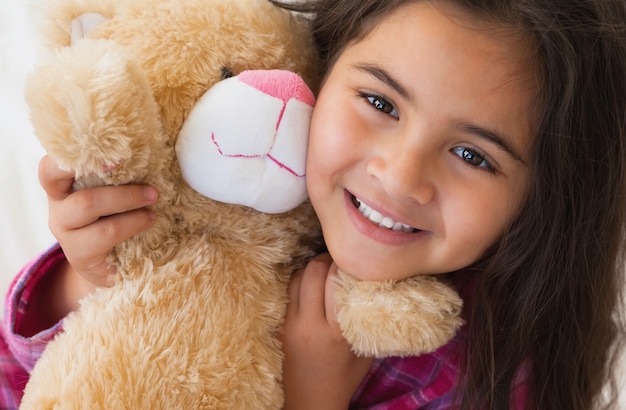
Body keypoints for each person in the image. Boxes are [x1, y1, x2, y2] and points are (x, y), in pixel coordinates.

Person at [2, 0, 625, 408]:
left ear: (545, 197)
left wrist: (312, 397)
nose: (400, 177)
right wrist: (92, 278)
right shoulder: (239, 202)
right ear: (321, 77)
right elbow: (27, 380)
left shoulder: (499, 367)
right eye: (380, 104)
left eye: (474, 156)